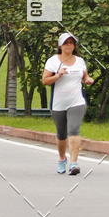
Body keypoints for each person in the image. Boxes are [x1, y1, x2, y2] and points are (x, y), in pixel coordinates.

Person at [42, 32, 94, 175]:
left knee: (74, 130)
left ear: (74, 46)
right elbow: (45, 81)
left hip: (77, 102)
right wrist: (58, 75)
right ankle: (61, 158)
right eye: (66, 43)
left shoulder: (79, 61)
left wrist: (88, 79)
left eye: (71, 42)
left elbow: (84, 76)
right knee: (61, 134)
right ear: (60, 45)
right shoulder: (53, 61)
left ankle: (73, 163)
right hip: (58, 104)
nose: (69, 45)